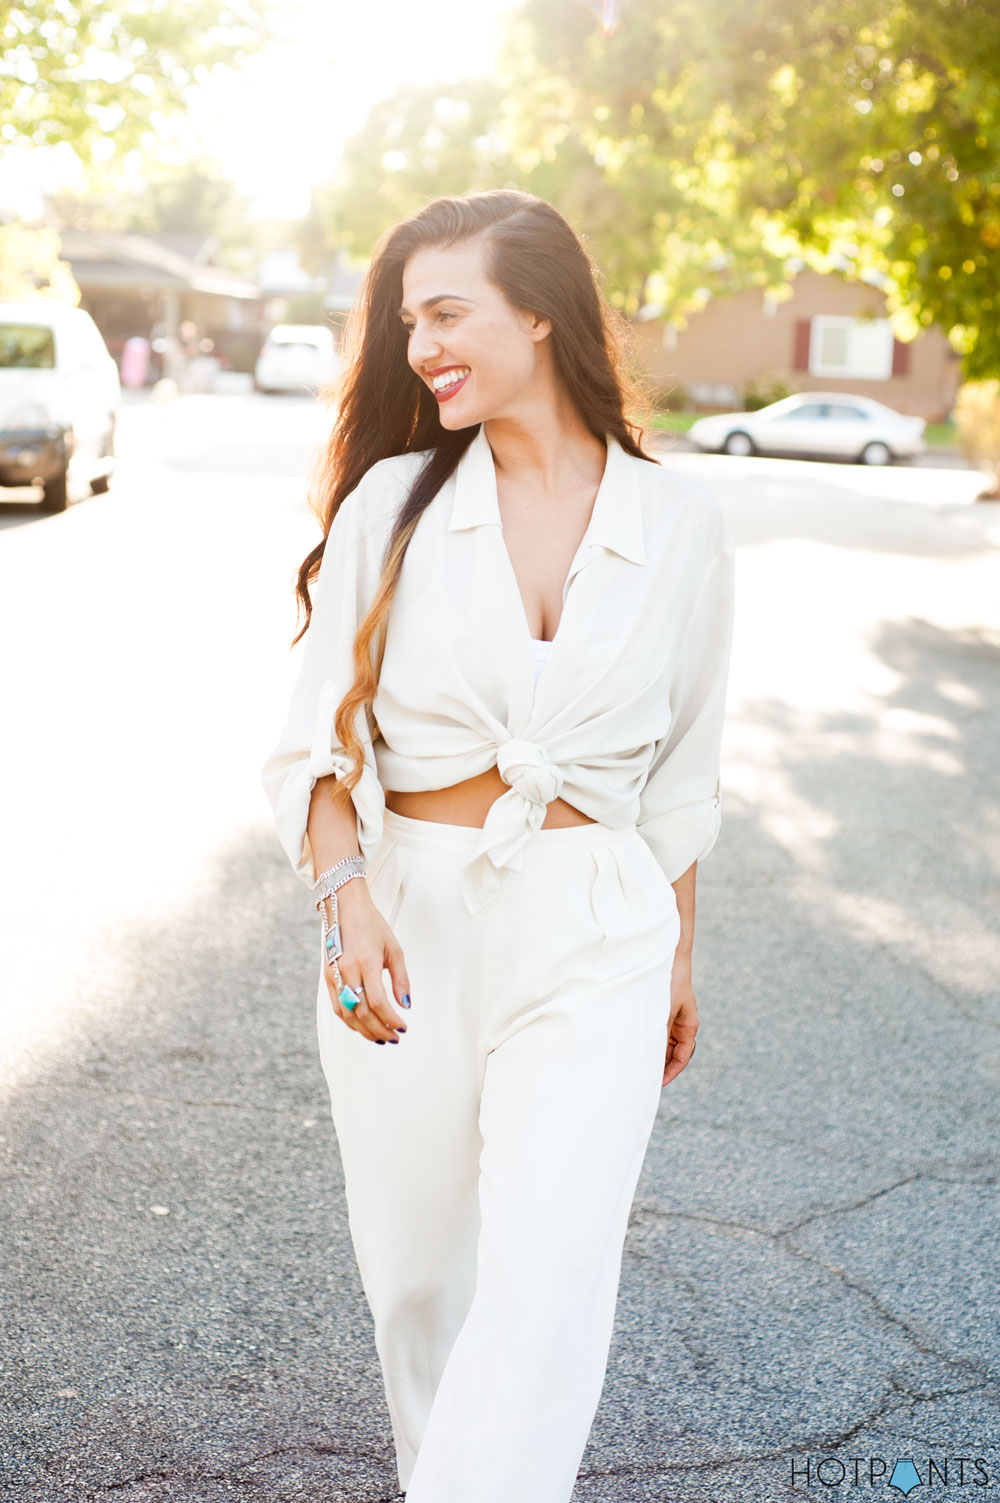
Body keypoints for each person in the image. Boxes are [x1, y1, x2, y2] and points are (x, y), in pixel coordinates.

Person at [260, 188, 735, 1503]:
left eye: (448, 312)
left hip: (598, 928)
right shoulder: (391, 509)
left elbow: (682, 773)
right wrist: (345, 898)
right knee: (422, 1287)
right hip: (408, 918)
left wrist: (682, 955)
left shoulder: (683, 527)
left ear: (541, 312)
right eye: (409, 320)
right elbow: (313, 748)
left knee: (548, 1272)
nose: (420, 345)